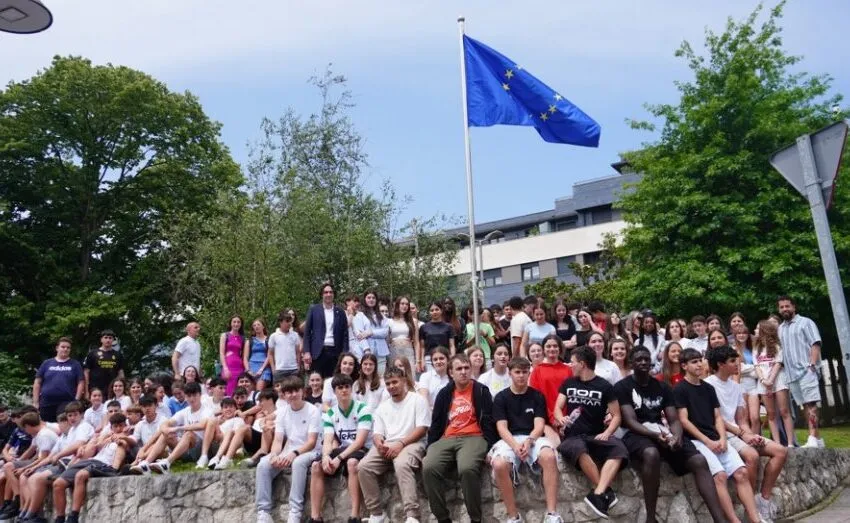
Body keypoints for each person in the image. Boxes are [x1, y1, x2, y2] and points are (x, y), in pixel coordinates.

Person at [615, 347, 726, 523]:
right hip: (636, 433)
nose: (643, 362)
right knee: (651, 454)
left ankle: (720, 519)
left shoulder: (662, 386)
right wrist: (655, 435)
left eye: (646, 359)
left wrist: (676, 437)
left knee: (699, 460)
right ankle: (651, 518)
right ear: (631, 363)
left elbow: (674, 420)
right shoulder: (622, 387)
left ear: (651, 362)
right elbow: (630, 421)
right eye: (638, 360)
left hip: (661, 430)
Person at [674, 348, 761, 523]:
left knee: (742, 473)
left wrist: (721, 438)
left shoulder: (708, 388)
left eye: (700, 360)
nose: (699, 364)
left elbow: (717, 417)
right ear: (684, 366)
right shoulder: (679, 389)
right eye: (694, 362)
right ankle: (734, 521)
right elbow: (684, 421)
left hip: (717, 438)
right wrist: (707, 441)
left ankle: (755, 519)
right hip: (697, 441)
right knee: (720, 477)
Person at [705, 346, 787, 522]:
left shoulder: (736, 387)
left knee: (780, 451)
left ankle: (762, 500)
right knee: (752, 456)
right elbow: (715, 419)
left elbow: (741, 419)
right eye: (733, 361)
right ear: (720, 364)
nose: (738, 364)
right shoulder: (708, 385)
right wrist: (743, 434)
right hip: (722, 433)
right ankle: (751, 511)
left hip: (739, 433)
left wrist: (751, 435)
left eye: (738, 360)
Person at [554, 346, 628, 519]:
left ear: (582, 364)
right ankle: (604, 492)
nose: (570, 365)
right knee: (579, 449)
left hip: (595, 435)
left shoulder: (605, 386)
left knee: (619, 450)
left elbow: (617, 415)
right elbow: (557, 408)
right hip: (572, 436)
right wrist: (561, 418)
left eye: (572, 362)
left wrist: (608, 432)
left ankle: (598, 493)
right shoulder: (568, 383)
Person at [422, 353, 497, 523]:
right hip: (447, 437)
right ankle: (443, 518)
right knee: (428, 467)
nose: (463, 372)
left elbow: (489, 421)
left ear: (471, 370)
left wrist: (492, 446)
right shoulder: (444, 393)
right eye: (459, 369)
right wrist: (430, 448)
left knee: (467, 468)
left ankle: (475, 519)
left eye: (466, 368)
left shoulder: (481, 391)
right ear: (451, 372)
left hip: (474, 436)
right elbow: (436, 424)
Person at [490, 357, 563, 523]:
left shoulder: (537, 396)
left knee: (549, 456)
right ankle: (513, 517)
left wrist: (529, 441)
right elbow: (501, 428)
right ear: (510, 373)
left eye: (524, 372)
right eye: (517, 372)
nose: (521, 376)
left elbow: (539, 424)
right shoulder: (501, 397)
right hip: (510, 439)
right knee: (499, 464)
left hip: (533, 436)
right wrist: (516, 446)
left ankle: (552, 514)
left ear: (529, 373)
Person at [358, 367, 430, 523]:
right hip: (388, 444)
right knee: (363, 467)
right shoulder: (383, 406)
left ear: (403, 381)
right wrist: (379, 444)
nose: (391, 386)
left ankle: (412, 515)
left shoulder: (417, 400)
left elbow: (422, 428)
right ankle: (377, 513)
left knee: (402, 464)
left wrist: (400, 443)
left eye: (395, 382)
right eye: (388, 383)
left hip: (412, 441)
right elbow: (377, 433)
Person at [255, 375, 322, 523]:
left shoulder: (312, 411)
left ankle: (295, 511)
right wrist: (274, 454)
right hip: (290, 450)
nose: (292, 395)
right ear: (284, 395)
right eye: (288, 392)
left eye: (295, 391)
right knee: (263, 464)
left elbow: (312, 442)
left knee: (298, 462)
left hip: (312, 451)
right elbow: (278, 439)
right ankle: (263, 512)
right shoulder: (283, 412)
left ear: (302, 392)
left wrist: (294, 454)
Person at [308, 373, 373, 523]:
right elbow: (328, 440)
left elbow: (360, 442)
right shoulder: (330, 413)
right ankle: (315, 517)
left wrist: (338, 458)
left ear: (351, 389)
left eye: (346, 387)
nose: (344, 390)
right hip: (343, 449)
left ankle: (354, 515)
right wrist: (325, 457)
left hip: (362, 448)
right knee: (316, 466)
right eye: (340, 388)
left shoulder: (363, 409)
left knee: (352, 464)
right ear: (334, 391)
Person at [51, 413, 127, 523]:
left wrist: (121, 437)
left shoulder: (128, 438)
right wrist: (85, 446)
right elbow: (95, 445)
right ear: (111, 427)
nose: (119, 428)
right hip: (91, 460)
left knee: (80, 475)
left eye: (121, 425)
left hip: (105, 465)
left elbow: (127, 443)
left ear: (125, 425)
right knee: (58, 484)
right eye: (116, 426)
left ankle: (73, 517)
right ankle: (60, 518)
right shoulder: (107, 436)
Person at [777, 295, 824, 448]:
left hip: (806, 371)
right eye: (782, 307)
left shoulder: (806, 322)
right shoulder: (780, 328)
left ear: (794, 307)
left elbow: (815, 344)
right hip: (791, 375)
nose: (785, 309)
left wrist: (812, 364)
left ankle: (811, 437)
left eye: (787, 306)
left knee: (811, 404)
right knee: (804, 405)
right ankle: (818, 439)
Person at [137, 382, 213, 474]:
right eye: (189, 396)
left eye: (194, 395)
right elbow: (166, 423)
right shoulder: (185, 411)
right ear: (185, 397)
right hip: (184, 449)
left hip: (200, 449)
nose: (192, 399)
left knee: (189, 434)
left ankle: (167, 462)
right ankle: (146, 463)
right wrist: (166, 429)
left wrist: (177, 429)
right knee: (166, 433)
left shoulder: (207, 410)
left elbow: (202, 425)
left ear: (200, 395)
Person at [754, 320, 794, 446]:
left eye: (757, 328)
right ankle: (776, 443)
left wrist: (770, 380)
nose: (755, 331)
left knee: (784, 411)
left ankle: (790, 443)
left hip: (778, 380)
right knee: (770, 414)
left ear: (764, 331)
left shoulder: (777, 346)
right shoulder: (757, 348)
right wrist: (763, 380)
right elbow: (757, 366)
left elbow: (778, 363)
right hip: (764, 382)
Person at [529, 334, 573, 442]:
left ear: (560, 348)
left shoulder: (568, 369)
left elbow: (571, 396)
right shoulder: (537, 371)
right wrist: (553, 418)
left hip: (567, 418)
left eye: (555, 346)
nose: (552, 349)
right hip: (546, 419)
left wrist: (564, 419)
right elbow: (536, 398)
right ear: (543, 349)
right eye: (548, 346)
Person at [32, 337, 85, 422]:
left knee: (64, 428)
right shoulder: (47, 363)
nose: (65, 349)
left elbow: (81, 382)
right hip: (46, 403)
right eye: (63, 347)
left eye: (68, 348)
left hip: (67, 403)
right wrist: (35, 402)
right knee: (48, 428)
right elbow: (37, 382)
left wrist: (76, 400)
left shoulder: (75, 364)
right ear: (57, 348)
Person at [304, 283, 350, 379]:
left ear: (333, 294)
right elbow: (307, 332)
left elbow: (345, 334)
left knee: (334, 381)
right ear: (322, 295)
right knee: (317, 382)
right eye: (326, 292)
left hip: (335, 353)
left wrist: (345, 353)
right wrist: (307, 352)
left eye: (330, 292)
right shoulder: (314, 310)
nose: (328, 294)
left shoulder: (340, 312)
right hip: (318, 352)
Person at [353, 290, 391, 375]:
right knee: (367, 379)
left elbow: (385, 332)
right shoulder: (360, 315)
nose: (371, 299)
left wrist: (370, 333)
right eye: (369, 297)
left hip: (381, 352)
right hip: (366, 352)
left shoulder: (381, 316)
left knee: (381, 378)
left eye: (373, 298)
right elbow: (360, 335)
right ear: (364, 299)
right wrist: (366, 350)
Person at [127, 395, 166, 473]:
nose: (147, 408)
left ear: (155, 406)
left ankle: (135, 463)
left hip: (163, 450)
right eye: (144, 406)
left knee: (156, 444)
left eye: (149, 405)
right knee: (128, 445)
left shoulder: (163, 420)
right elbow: (134, 439)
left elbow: (159, 441)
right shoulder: (140, 424)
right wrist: (123, 437)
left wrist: (143, 450)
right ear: (141, 408)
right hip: (145, 451)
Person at [417, 302, 456, 374]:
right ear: (429, 312)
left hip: (445, 358)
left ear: (441, 310)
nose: (434, 312)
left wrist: (452, 359)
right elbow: (422, 347)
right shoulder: (424, 327)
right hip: (429, 359)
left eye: (436, 309)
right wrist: (421, 360)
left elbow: (452, 345)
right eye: (432, 310)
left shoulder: (449, 327)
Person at [83, 330, 124, 396]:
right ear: (101, 339)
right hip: (95, 389)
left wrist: (122, 386)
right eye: (106, 337)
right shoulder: (92, 353)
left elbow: (120, 372)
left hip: (112, 389)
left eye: (110, 338)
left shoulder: (118, 355)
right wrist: (86, 390)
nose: (108, 340)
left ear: (113, 340)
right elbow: (86, 372)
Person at [268, 311, 302, 384]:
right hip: (279, 370)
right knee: (279, 393)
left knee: (294, 391)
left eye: (290, 321)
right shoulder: (274, 336)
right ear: (280, 322)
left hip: (293, 369)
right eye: (286, 321)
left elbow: (298, 352)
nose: (289, 323)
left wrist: (298, 366)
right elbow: (270, 354)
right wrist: (273, 369)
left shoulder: (295, 335)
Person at [219, 315, 247, 396]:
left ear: (241, 324)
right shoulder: (225, 335)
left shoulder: (242, 338)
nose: (236, 324)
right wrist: (225, 368)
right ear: (231, 323)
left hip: (239, 366)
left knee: (238, 390)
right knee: (227, 390)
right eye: (234, 322)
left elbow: (244, 355)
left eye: (238, 322)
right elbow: (221, 353)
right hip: (228, 366)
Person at [389, 296, 419, 364]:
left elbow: (416, 342)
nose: (405, 306)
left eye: (407, 304)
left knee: (409, 373)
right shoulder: (389, 321)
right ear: (397, 305)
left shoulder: (413, 321)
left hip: (408, 351)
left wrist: (418, 361)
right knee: (395, 373)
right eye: (402, 303)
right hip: (394, 351)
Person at [246, 318, 273, 390]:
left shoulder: (269, 340)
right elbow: (245, 358)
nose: (256, 327)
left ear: (263, 326)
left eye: (258, 325)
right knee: (250, 391)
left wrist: (261, 369)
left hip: (264, 368)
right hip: (252, 367)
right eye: (254, 325)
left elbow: (269, 355)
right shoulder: (250, 341)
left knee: (259, 389)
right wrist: (248, 371)